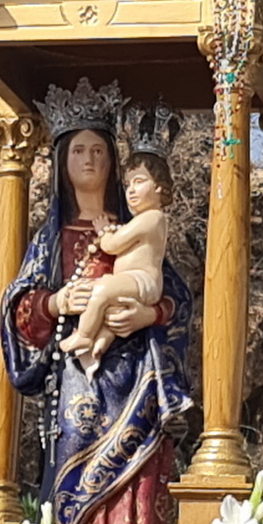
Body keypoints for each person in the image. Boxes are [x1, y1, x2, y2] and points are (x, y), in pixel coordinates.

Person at [0, 82, 192, 524]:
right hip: (76, 381)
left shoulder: (134, 231)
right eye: (79, 150)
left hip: (136, 375)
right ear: (62, 160)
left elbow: (178, 300)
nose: (89, 161)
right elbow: (17, 308)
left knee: (139, 472)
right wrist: (56, 303)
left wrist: (149, 313)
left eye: (99, 151)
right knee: (74, 468)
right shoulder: (51, 238)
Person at [57, 155, 169, 372]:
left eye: (139, 182)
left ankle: (84, 336)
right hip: (131, 284)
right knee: (111, 307)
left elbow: (112, 245)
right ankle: (98, 347)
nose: (131, 190)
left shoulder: (151, 218)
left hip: (141, 282)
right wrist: (56, 301)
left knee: (104, 289)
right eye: (127, 185)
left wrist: (103, 231)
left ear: (159, 187)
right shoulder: (53, 234)